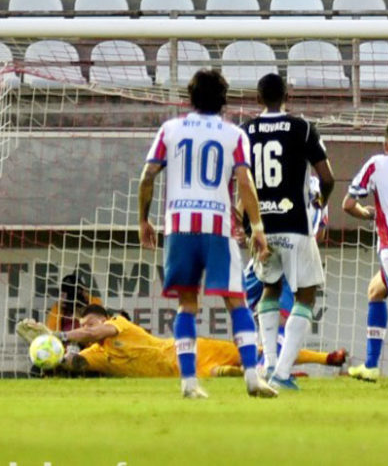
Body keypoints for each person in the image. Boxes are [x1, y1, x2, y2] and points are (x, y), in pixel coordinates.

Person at [138, 69, 276, 399]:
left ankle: (188, 383)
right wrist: (257, 228)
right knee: (236, 301)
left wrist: (143, 220)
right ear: (224, 100)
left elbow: (147, 176)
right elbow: (245, 184)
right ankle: (253, 378)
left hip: (179, 227)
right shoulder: (234, 135)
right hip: (217, 227)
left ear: (191, 98)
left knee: (187, 304)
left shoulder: (170, 129)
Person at [242, 73, 335, 391]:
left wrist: (249, 227)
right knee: (305, 294)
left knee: (269, 288)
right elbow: (328, 177)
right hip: (295, 223)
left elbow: (241, 184)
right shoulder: (302, 128)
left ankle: (269, 364)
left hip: (262, 228)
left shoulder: (246, 131)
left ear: (257, 98)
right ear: (287, 96)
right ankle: (281, 373)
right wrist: (321, 203)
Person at [18, 305, 346, 376]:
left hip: (189, 351)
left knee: (255, 351)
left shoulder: (118, 325)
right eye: (81, 325)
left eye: (88, 321)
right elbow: (73, 363)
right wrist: (49, 360)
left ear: (102, 319)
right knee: (227, 375)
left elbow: (91, 333)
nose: (85, 327)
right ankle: (281, 375)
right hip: (182, 374)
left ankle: (324, 358)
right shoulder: (97, 356)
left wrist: (58, 336)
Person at [343, 121, 388, 381]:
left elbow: (348, 204)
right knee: (375, 292)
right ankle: (371, 365)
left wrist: (366, 214)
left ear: (387, 144)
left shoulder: (377, 163)